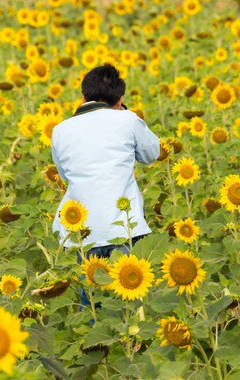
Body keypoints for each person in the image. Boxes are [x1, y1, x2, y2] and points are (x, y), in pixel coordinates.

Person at [50, 64, 160, 306]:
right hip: (126, 229)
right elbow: (152, 153)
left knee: (93, 304)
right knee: (133, 302)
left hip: (83, 231)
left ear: (84, 96)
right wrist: (126, 115)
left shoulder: (59, 130)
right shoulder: (127, 120)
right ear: (119, 99)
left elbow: (65, 175)